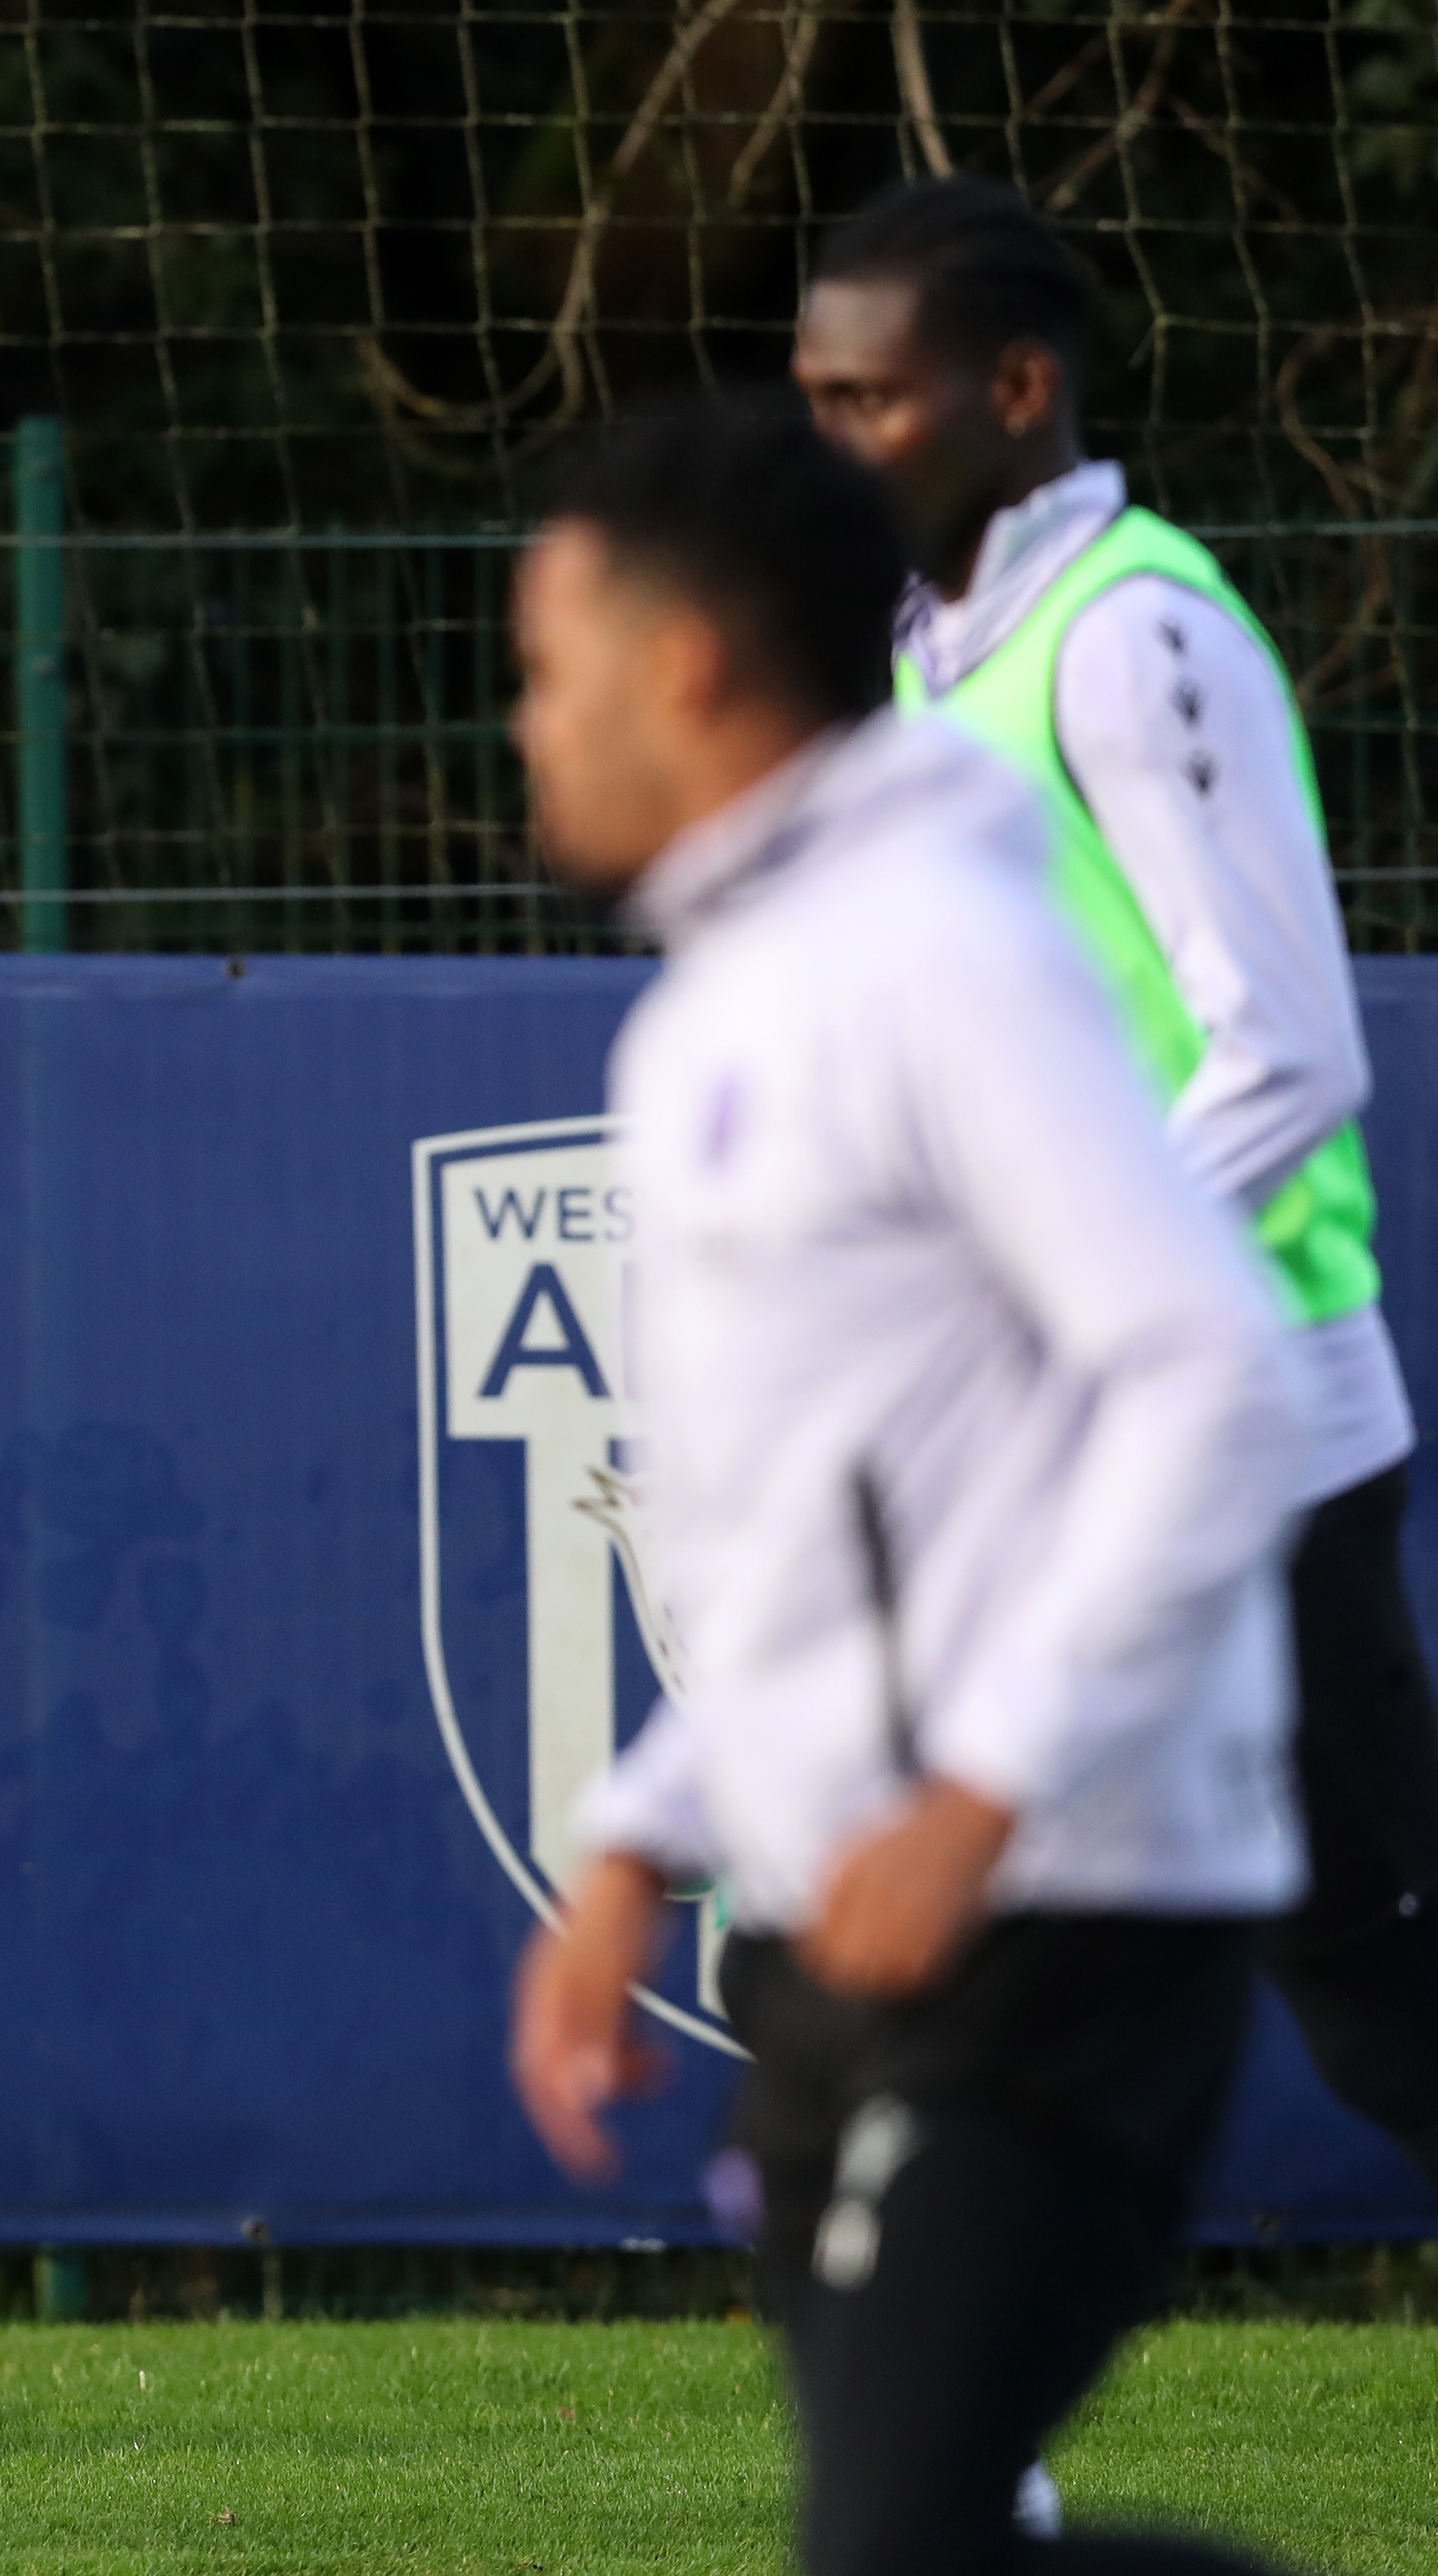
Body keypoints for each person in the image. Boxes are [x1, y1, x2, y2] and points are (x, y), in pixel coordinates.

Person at [504, 389, 1311, 2576]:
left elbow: (1209, 1366)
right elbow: (822, 1543)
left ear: (682, 665)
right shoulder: (715, 1009)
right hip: (839, 1927)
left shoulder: (935, 958)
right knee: (936, 2546)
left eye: (542, 668)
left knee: (900, 2552)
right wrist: (630, 1844)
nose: (522, 725)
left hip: (1055, 1905)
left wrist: (980, 1787)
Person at [799, 177, 1438, 2193]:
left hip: (1241, 1420)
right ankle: (964, 2483)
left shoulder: (1130, 635)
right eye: (811, 399)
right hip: (1056, 1434)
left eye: (872, 401)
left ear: (1016, 386)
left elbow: (1286, 1049)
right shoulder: (915, 654)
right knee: (843, 1962)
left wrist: (1057, 1288)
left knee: (1383, 1999)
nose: (834, 445)